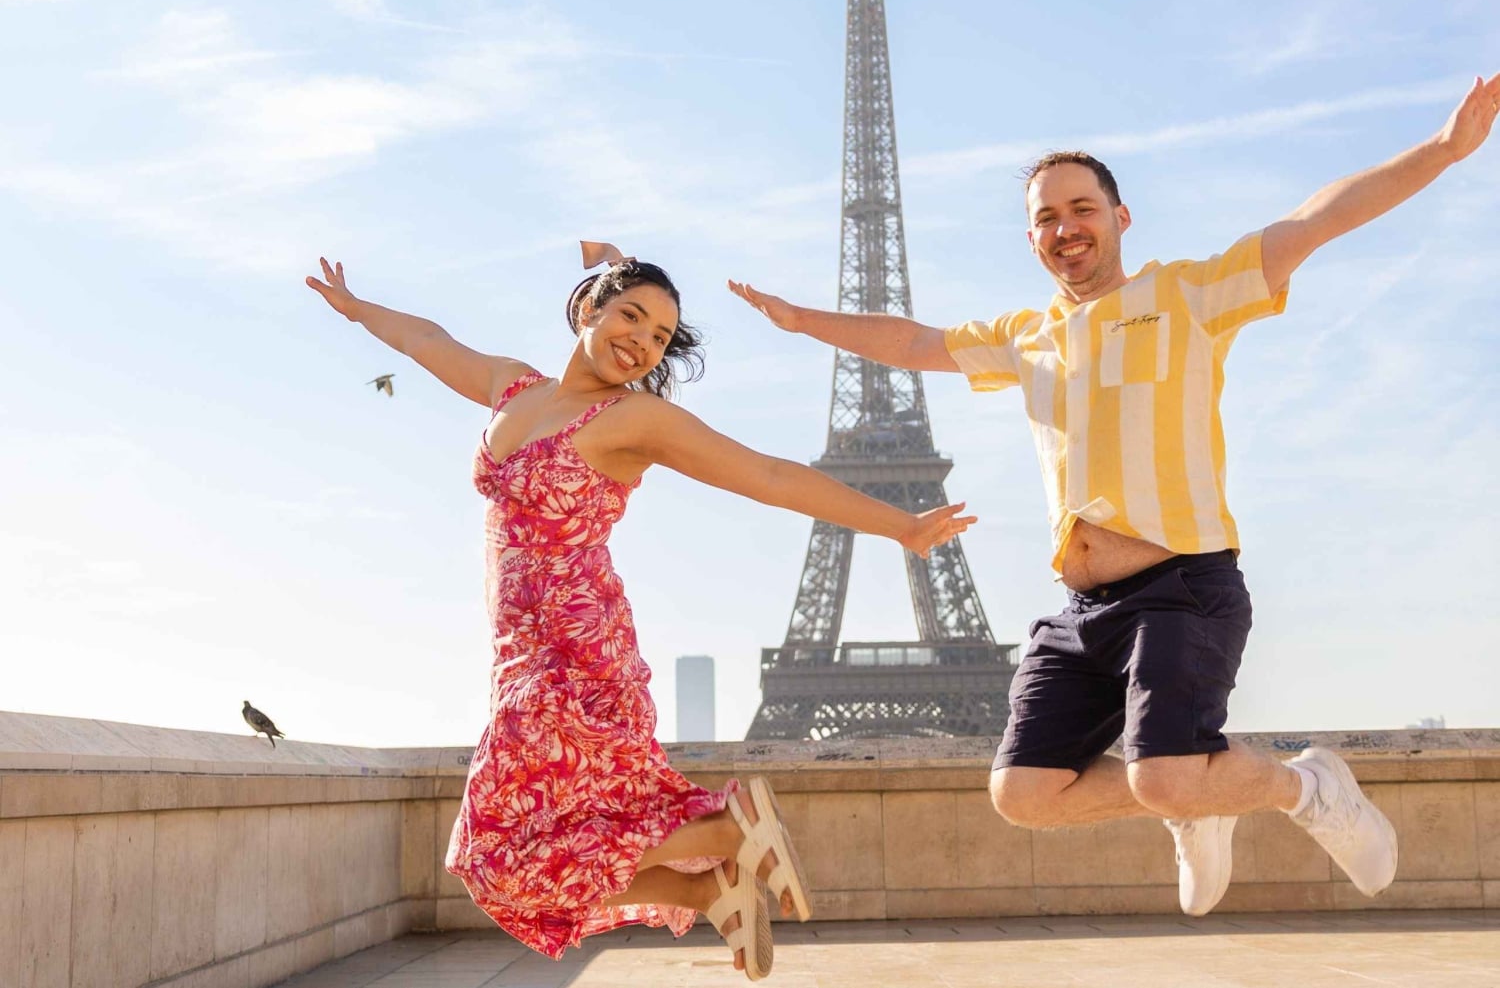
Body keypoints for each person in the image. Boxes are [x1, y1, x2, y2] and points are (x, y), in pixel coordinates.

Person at [729, 74, 1500, 917]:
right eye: (1047, 217)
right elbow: (914, 341)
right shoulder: (1026, 336)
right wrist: (804, 321)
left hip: (1182, 585)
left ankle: (1304, 786)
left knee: (1163, 772)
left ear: (1120, 217)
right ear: (1032, 238)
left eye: (1082, 208)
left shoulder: (1186, 295)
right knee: (1024, 793)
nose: (1066, 227)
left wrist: (1444, 149)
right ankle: (1197, 799)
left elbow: (1316, 219)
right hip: (1084, 608)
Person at [305, 243, 976, 978]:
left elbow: (768, 475)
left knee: (500, 854)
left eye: (660, 336)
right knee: (507, 864)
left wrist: (901, 525)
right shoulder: (513, 387)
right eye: (631, 317)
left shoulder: (635, 418)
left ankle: (725, 831)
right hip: (519, 657)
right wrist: (358, 309)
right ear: (588, 309)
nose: (643, 342)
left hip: (577, 654)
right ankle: (707, 884)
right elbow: (428, 341)